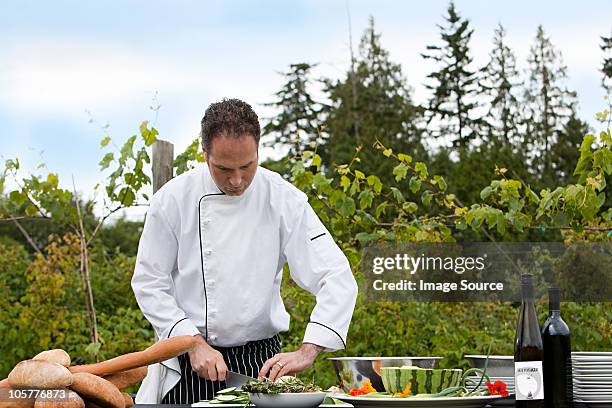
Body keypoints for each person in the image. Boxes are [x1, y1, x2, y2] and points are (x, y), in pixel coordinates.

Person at [132, 98, 358, 404]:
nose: (237, 181)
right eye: (223, 169)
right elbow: (149, 281)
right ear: (204, 154)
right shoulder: (172, 200)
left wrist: (309, 349)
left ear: (258, 152)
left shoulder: (283, 199)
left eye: (247, 166)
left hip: (260, 365)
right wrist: (191, 341)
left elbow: (335, 274)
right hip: (188, 362)